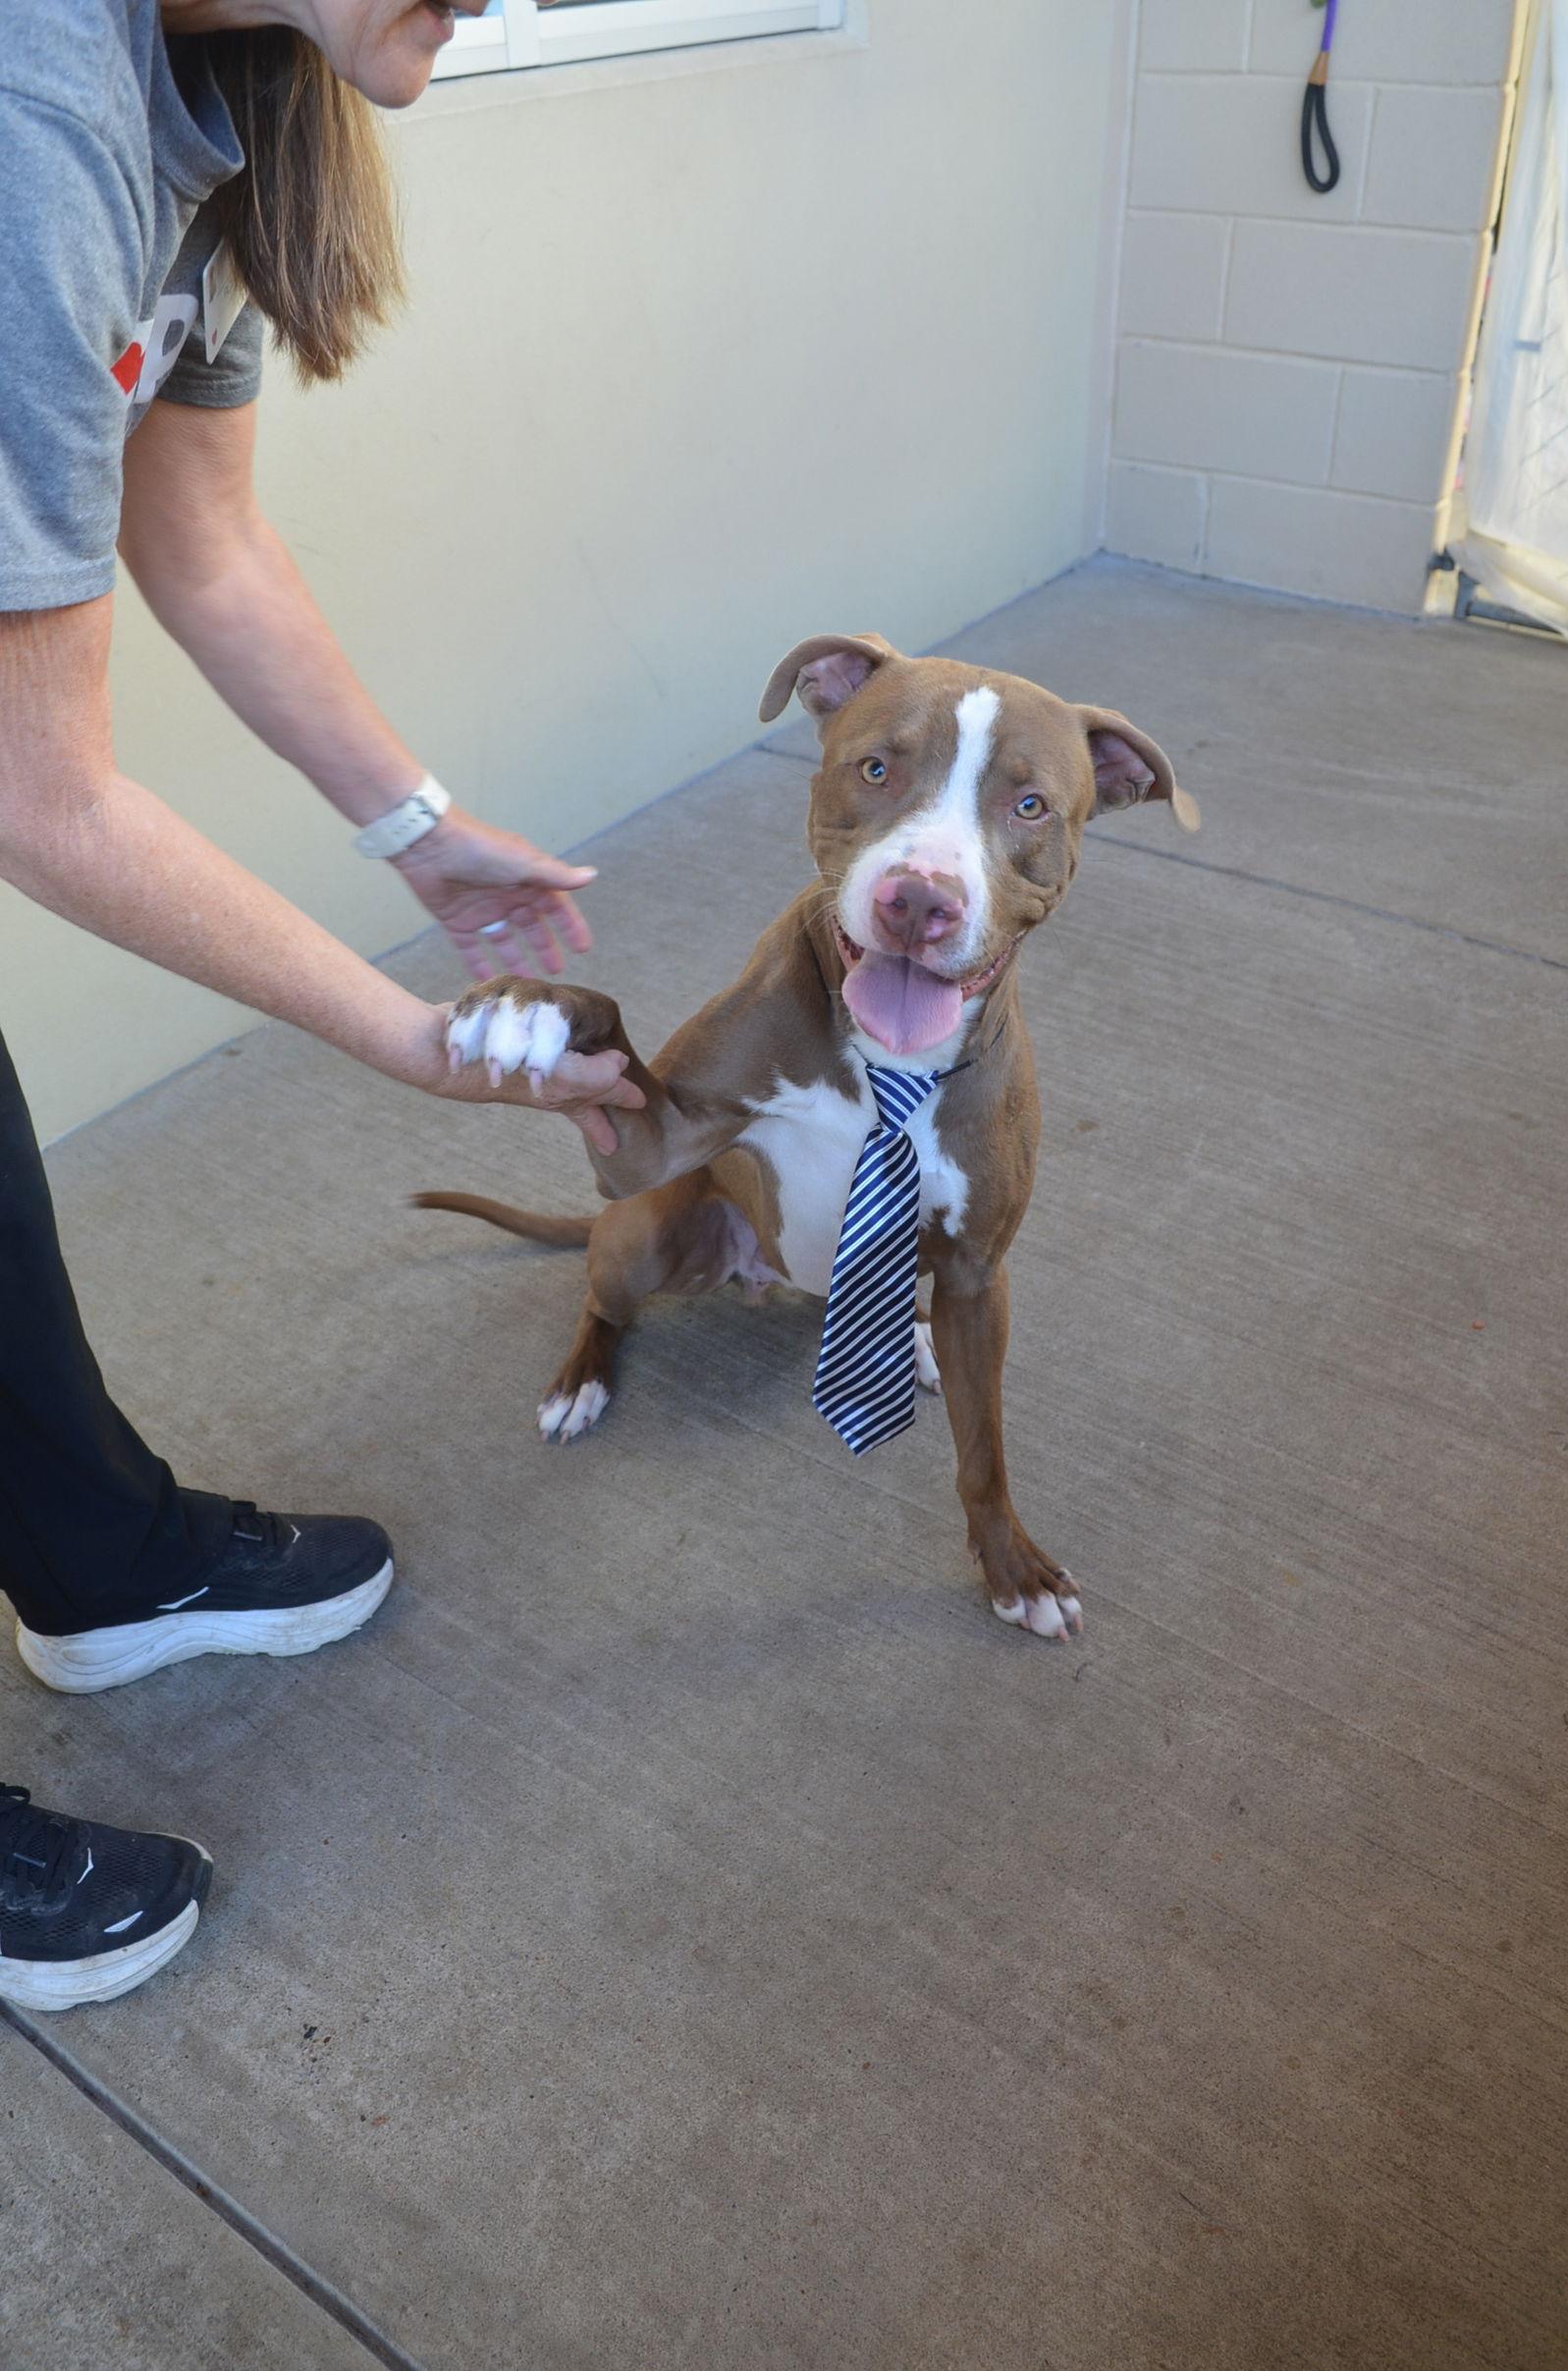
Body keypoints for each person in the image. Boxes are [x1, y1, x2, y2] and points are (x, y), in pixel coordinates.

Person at [0, 0, 641, 2011]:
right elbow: (43, 789)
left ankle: (95, 1563)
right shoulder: (42, 110)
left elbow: (201, 537)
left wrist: (418, 830)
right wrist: (397, 1033)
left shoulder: (223, 102)